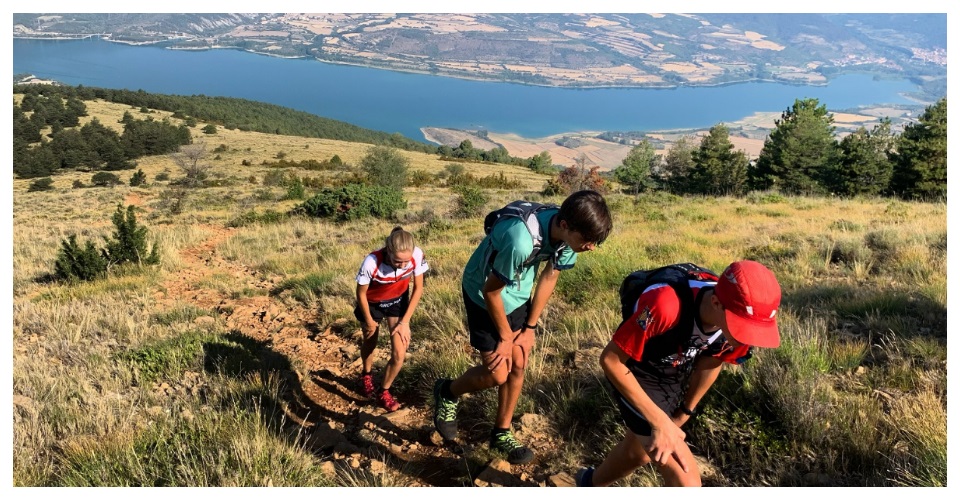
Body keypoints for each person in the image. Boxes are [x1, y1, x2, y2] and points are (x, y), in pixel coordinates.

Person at [432, 190, 613, 464]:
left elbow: (550, 277)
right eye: (587, 240)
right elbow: (491, 291)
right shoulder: (521, 240)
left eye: (594, 241)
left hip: (516, 294)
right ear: (565, 225)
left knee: (519, 363)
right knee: (497, 374)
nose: (591, 247)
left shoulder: (565, 237)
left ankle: (501, 433)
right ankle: (447, 391)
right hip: (482, 294)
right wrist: (506, 337)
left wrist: (529, 328)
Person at [576, 260, 781, 487]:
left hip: (676, 365)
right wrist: (660, 422)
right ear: (715, 302)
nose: (749, 339)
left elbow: (713, 361)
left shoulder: (740, 320)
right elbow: (611, 360)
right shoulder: (666, 304)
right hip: (637, 366)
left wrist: (685, 411)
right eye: (742, 328)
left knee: (640, 451)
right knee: (686, 482)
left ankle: (588, 484)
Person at [354, 226, 428, 412]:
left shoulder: (417, 255)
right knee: (371, 340)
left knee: (399, 353)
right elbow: (360, 293)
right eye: (397, 261)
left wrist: (405, 322)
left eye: (406, 261)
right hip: (372, 303)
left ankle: (383, 391)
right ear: (388, 250)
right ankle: (366, 374)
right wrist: (370, 320)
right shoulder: (372, 262)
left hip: (398, 301)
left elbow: (418, 288)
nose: (403, 265)